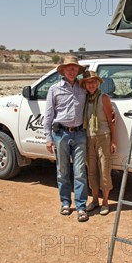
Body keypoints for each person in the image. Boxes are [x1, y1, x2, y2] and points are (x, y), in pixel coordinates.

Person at [44, 56, 89, 222]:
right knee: (62, 171)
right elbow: (48, 115)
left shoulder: (83, 88)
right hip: (60, 134)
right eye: (68, 68)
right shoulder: (54, 89)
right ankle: (65, 202)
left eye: (74, 68)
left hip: (80, 134)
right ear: (63, 70)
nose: (71, 70)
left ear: (78, 70)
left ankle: (81, 206)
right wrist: (48, 137)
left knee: (80, 172)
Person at [80, 71, 117, 216]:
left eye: (93, 82)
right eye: (88, 82)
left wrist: (114, 140)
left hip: (103, 137)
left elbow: (111, 121)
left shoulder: (103, 98)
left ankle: (105, 202)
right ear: (85, 85)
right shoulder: (84, 99)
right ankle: (94, 200)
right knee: (92, 170)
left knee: (104, 169)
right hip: (88, 137)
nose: (91, 85)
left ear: (98, 83)